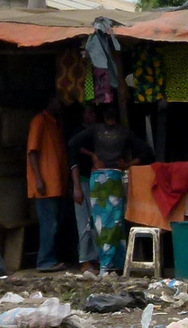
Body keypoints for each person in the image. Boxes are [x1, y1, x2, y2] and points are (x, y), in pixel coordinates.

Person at [69, 106, 152, 275]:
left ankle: (106, 264)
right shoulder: (124, 132)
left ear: (103, 116)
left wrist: (92, 155)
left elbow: (72, 144)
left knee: (101, 224)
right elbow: (147, 152)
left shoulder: (95, 130)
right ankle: (115, 263)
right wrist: (128, 164)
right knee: (115, 223)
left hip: (99, 180)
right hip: (115, 178)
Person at [27, 96, 70, 271]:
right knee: (49, 224)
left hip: (57, 184)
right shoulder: (39, 121)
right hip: (45, 184)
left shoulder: (55, 123)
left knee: (54, 223)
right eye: (58, 101)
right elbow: (32, 152)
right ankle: (45, 261)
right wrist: (38, 178)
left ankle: (49, 258)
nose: (61, 105)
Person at [72, 104, 102, 273]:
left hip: (96, 182)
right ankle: (84, 260)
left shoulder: (96, 134)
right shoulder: (78, 135)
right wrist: (77, 187)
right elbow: (74, 163)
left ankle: (96, 258)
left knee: (96, 223)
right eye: (89, 112)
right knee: (84, 224)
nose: (93, 115)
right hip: (82, 182)